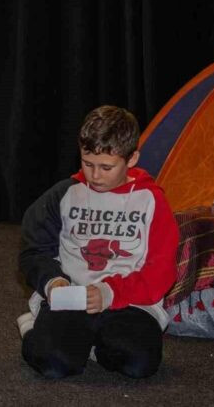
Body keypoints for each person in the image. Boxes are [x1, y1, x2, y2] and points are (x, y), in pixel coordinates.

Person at [17, 105, 179, 379]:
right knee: (54, 364)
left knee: (137, 364)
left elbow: (161, 271)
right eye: (87, 163)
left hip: (130, 301)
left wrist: (111, 293)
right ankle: (35, 326)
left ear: (132, 159)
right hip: (74, 297)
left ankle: (92, 342)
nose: (95, 175)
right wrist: (53, 281)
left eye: (106, 167)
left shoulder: (152, 200)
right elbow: (34, 251)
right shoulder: (65, 193)